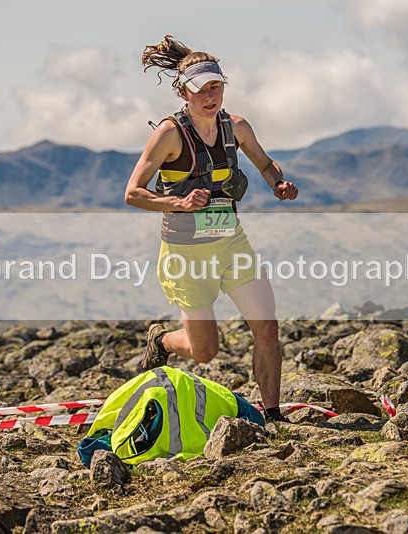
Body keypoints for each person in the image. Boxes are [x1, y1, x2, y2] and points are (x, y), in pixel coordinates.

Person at [124, 35, 298, 422]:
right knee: (205, 351)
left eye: (216, 86)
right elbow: (133, 193)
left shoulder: (236, 127)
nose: (210, 95)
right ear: (184, 91)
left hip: (230, 241)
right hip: (186, 252)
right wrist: (179, 203)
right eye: (201, 89)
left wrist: (278, 184)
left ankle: (273, 414)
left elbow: (267, 164)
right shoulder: (169, 134)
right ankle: (161, 338)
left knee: (267, 327)